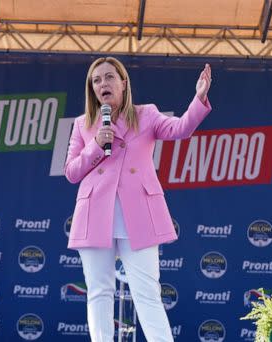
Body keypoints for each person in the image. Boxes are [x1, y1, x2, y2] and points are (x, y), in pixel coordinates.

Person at [64, 56, 212, 342]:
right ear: (91, 89)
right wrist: (96, 145)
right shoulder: (84, 124)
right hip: (95, 214)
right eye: (96, 80)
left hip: (139, 214)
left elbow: (180, 129)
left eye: (109, 77)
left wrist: (199, 97)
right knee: (98, 292)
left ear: (123, 82)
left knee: (147, 292)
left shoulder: (146, 115)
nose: (102, 84)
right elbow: (71, 172)